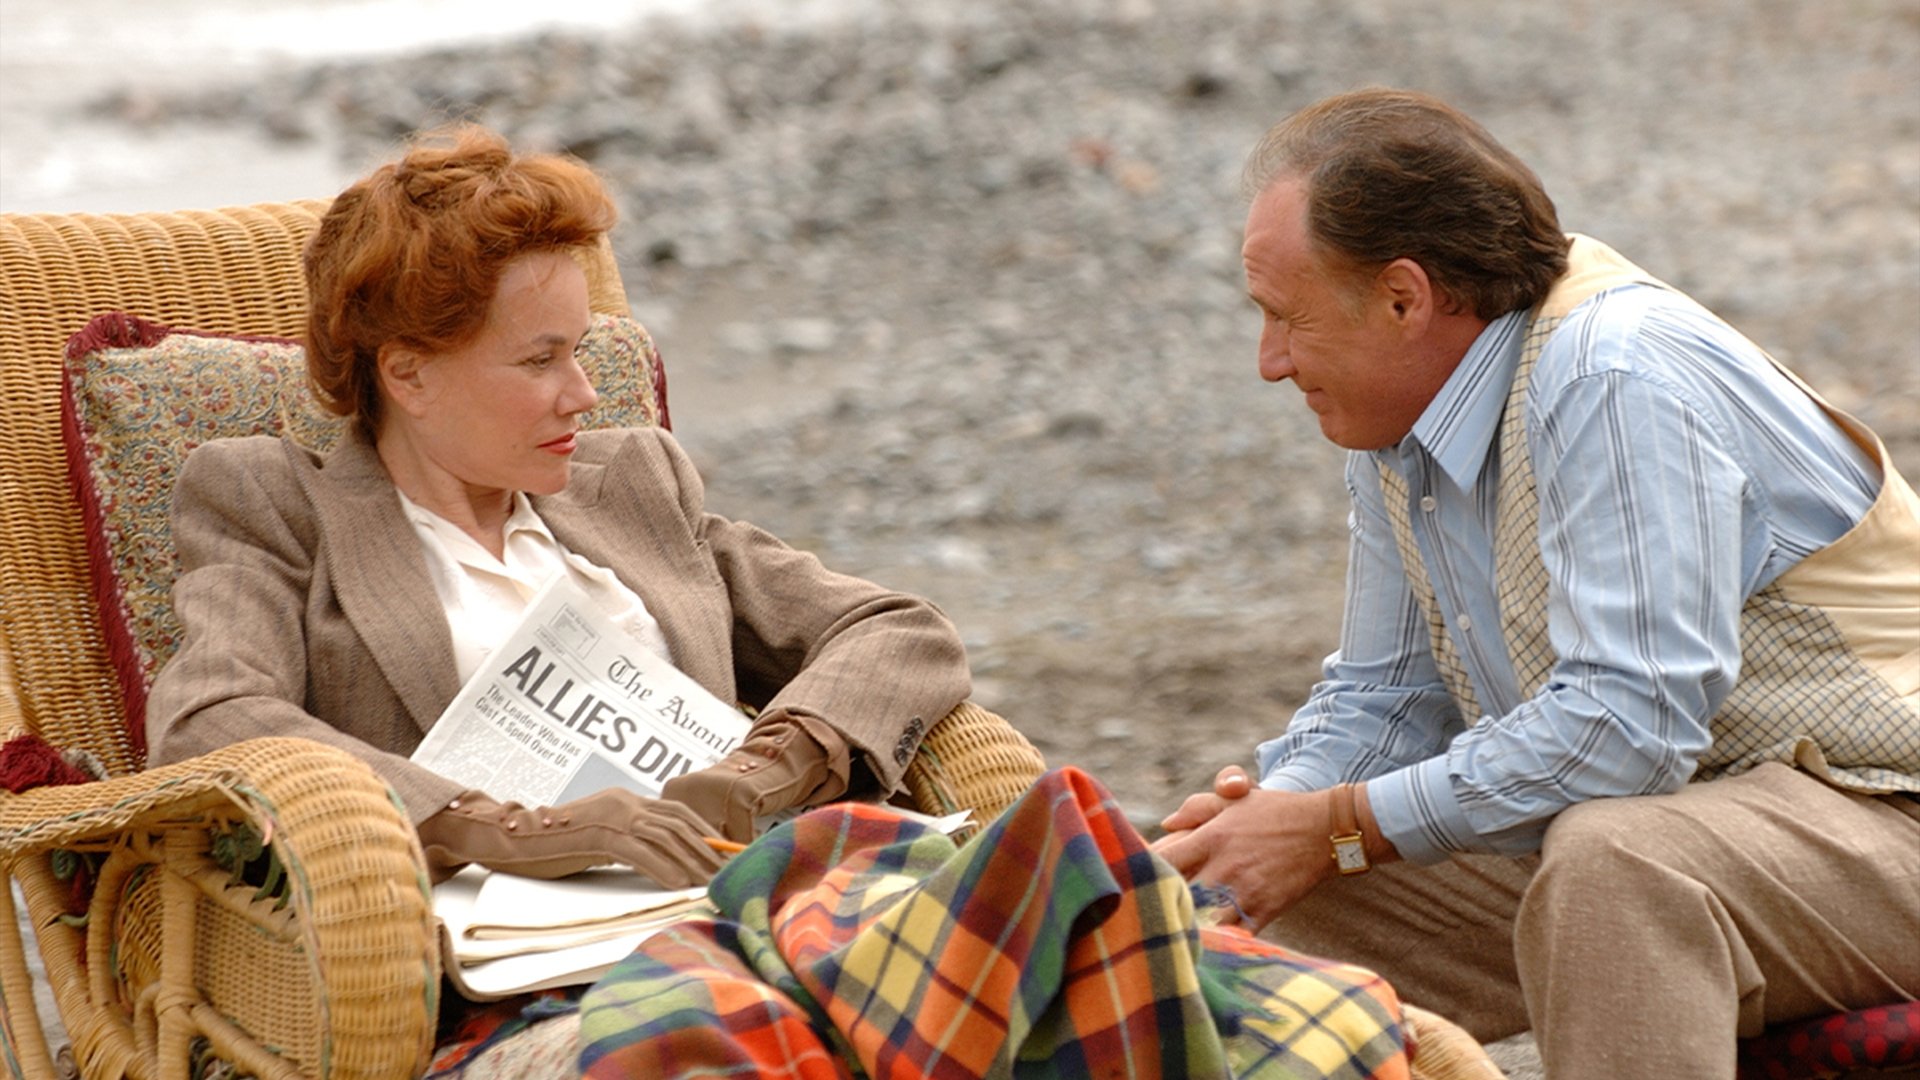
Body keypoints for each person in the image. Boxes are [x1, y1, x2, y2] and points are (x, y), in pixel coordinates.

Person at [1153, 88, 1920, 1079]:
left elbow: (1629, 726)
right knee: (1263, 899)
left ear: (1403, 297)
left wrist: (1339, 825)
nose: (1270, 362)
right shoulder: (1397, 419)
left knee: (1619, 868)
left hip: (1883, 812)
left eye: (1285, 318)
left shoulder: (1614, 375)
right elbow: (1389, 699)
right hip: (1701, 819)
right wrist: (1269, 820)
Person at [146, 124, 973, 889]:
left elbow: (899, 631)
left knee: (1037, 871)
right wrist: (514, 831)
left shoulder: (631, 485)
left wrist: (759, 775)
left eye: (577, 351)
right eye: (540, 361)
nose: (583, 395)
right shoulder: (276, 507)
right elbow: (209, 719)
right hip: (507, 948)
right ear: (409, 374)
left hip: (728, 891)